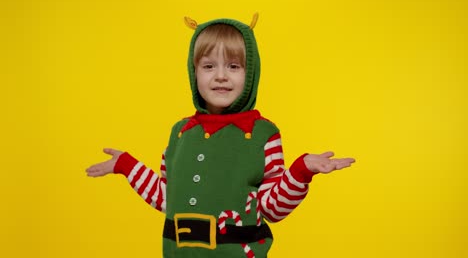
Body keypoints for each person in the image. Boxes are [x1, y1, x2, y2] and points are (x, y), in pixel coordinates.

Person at [86, 14, 355, 258]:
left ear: (251, 74)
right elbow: (168, 198)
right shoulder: (180, 133)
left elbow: (272, 209)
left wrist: (301, 171)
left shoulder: (263, 134)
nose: (221, 76)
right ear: (194, 73)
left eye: (234, 66)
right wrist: (127, 165)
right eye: (209, 66)